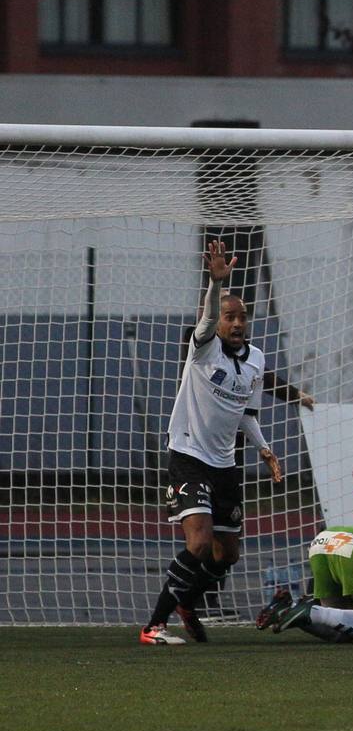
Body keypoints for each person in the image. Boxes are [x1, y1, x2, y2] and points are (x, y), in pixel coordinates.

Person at [141, 241, 284, 645]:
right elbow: (203, 321)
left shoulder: (255, 359)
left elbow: (247, 414)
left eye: (241, 317)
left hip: (225, 464)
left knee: (228, 555)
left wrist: (264, 448)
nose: (236, 323)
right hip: (189, 454)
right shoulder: (203, 348)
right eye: (229, 316)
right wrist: (215, 285)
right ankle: (154, 626)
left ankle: (187, 601)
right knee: (200, 543)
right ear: (219, 320)